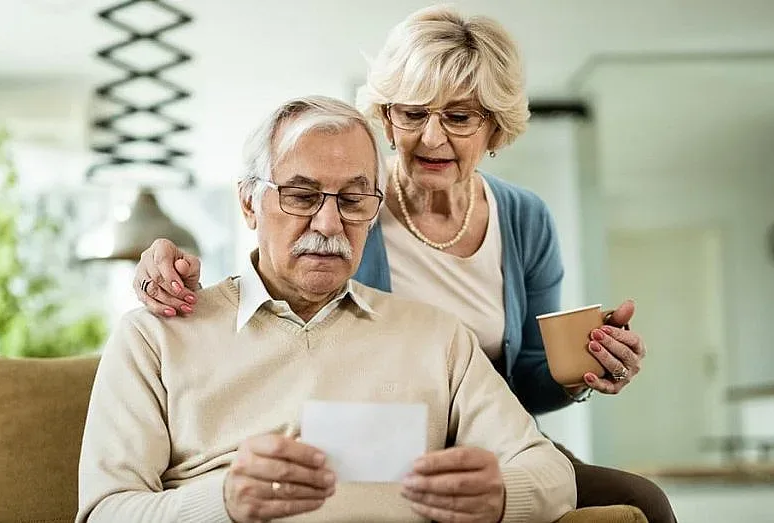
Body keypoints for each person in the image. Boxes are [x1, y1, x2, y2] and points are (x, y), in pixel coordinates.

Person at [130, 5, 676, 523]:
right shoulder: (349, 203)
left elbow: (528, 382)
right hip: (370, 435)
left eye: (459, 116)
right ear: (388, 119)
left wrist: (585, 367)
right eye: (413, 114)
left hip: (476, 435)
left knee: (640, 499)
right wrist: (165, 266)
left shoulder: (524, 219)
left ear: (495, 128)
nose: (431, 137)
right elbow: (275, 276)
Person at [76, 96, 576, 523]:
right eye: (301, 196)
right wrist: (223, 502)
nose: (330, 223)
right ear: (249, 203)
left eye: (354, 200)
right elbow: (105, 512)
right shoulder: (155, 336)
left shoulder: (437, 337)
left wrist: (504, 496)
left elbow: (551, 473)